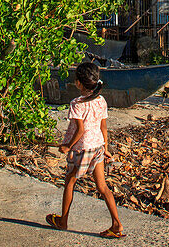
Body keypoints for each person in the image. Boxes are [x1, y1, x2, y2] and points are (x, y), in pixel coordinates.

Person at [46, 61, 124, 238]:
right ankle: (117, 224)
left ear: (79, 83)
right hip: (97, 147)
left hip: (83, 149)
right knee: (103, 187)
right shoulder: (101, 100)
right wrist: (106, 146)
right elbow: (103, 127)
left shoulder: (77, 103)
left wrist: (67, 146)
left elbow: (80, 130)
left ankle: (63, 221)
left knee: (70, 182)